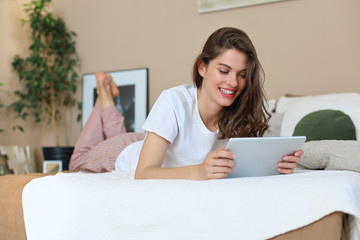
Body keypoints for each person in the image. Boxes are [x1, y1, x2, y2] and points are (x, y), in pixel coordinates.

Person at [69, 27, 303, 179]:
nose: (233, 82)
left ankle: (106, 96)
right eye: (224, 70)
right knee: (77, 161)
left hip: (158, 141)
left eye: (242, 75)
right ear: (202, 67)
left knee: (121, 133)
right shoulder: (174, 101)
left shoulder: (239, 112)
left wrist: (276, 166)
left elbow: (240, 169)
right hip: (123, 152)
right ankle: (104, 97)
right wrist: (200, 172)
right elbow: (143, 173)